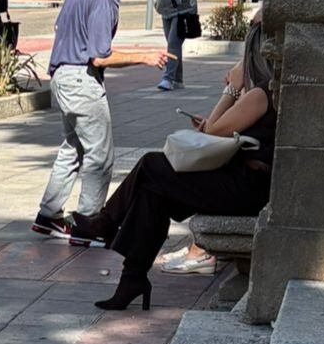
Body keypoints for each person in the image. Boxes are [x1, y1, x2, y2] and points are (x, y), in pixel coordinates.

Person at [72, 17, 279, 309]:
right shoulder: (264, 94)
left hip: (244, 189)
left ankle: (106, 223)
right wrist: (216, 118)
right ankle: (132, 278)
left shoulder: (258, 95)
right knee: (152, 192)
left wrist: (232, 89)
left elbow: (213, 131)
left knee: (151, 165)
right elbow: (218, 129)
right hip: (242, 183)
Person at [33, 0, 159, 237]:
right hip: (81, 80)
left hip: (63, 76)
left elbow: (60, 26)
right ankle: (89, 224)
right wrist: (145, 56)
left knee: (73, 148)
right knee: (100, 155)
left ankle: (48, 215)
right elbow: (99, 57)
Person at [157, 0, 199, 92]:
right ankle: (178, 79)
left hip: (181, 12)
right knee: (173, 46)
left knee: (173, 45)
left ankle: (167, 78)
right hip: (166, 12)